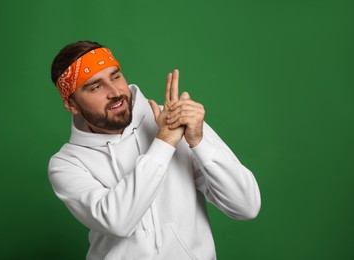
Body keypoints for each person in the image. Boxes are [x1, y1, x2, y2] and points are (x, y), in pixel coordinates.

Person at [48, 40, 261, 260]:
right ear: (72, 105)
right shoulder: (67, 163)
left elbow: (246, 207)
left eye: (116, 76)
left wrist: (199, 142)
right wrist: (164, 142)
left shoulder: (175, 120)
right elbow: (117, 221)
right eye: (95, 86)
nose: (114, 92)